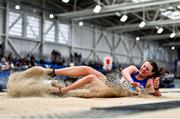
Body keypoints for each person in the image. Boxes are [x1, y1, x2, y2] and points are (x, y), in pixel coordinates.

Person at [7, 60, 161, 97]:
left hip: (115, 89)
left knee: (91, 76)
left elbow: (152, 94)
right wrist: (132, 82)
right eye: (144, 65)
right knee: (88, 69)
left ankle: (62, 90)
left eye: (147, 68)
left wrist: (156, 88)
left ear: (151, 73)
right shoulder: (134, 69)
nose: (143, 68)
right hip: (113, 80)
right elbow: (125, 73)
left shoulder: (148, 81)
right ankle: (53, 72)